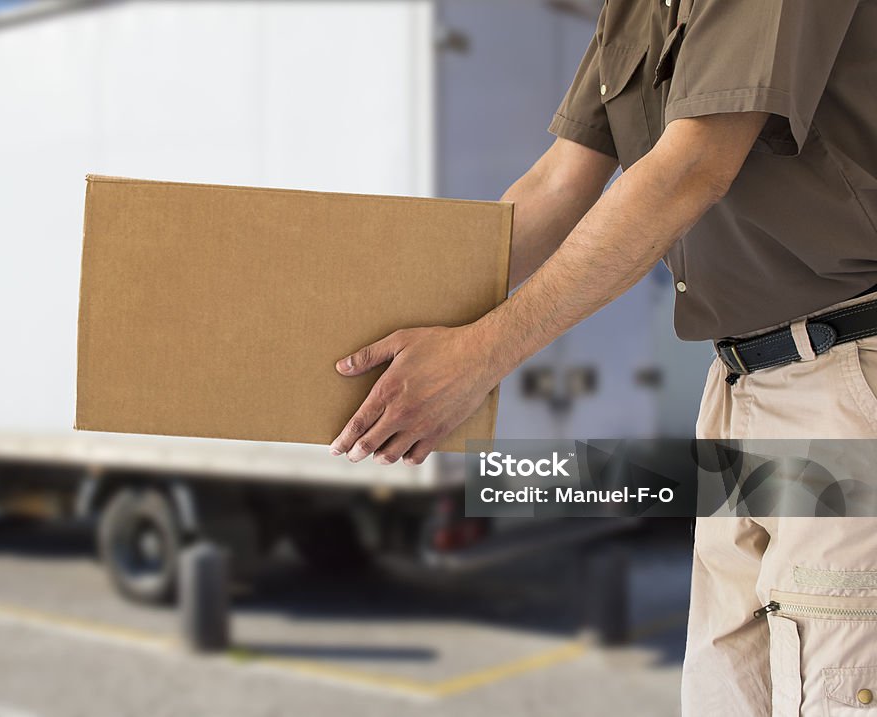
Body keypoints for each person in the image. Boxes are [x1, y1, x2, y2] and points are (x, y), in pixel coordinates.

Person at [327, 1, 877, 714]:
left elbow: (689, 168)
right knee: (729, 695)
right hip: (743, 385)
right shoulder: (637, 8)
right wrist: (359, 323)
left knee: (832, 694)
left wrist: (474, 358)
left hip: (846, 380)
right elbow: (559, 184)